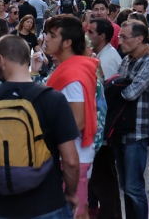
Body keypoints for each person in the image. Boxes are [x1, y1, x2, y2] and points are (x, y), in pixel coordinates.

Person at [0, 35, 81, 219]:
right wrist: (71, 193)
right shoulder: (53, 99)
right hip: (48, 204)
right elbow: (71, 161)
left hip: (1, 208)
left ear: (1, 61)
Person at [42, 15, 99, 219]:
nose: (45, 38)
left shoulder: (73, 74)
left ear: (67, 43)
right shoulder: (73, 68)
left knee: (75, 213)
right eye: (47, 33)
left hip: (72, 158)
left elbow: (78, 121)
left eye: (52, 35)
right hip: (71, 156)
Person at [114, 20, 149, 219]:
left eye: (124, 37)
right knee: (125, 185)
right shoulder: (127, 59)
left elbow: (129, 93)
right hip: (121, 129)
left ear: (140, 39)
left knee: (134, 187)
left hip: (137, 131)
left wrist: (112, 89)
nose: (120, 41)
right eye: (120, 36)